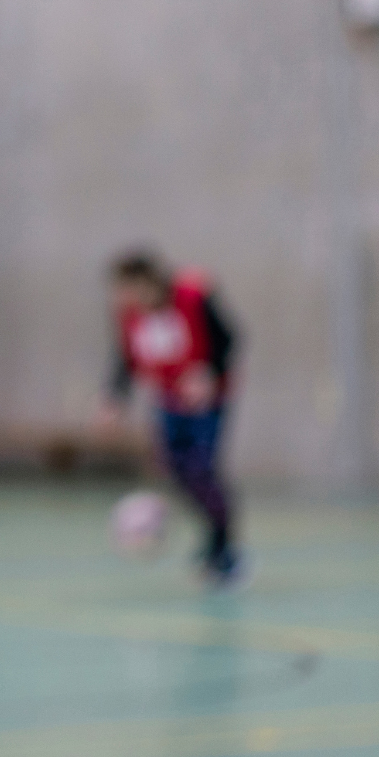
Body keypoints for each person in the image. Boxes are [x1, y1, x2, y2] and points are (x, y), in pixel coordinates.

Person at [99, 249, 248, 589]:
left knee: (201, 470)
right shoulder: (131, 315)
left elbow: (229, 339)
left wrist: (207, 373)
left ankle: (224, 549)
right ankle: (213, 537)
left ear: (148, 282)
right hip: (169, 400)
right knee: (176, 470)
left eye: (130, 289)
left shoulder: (192, 297)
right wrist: (114, 398)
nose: (126, 297)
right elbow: (126, 358)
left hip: (207, 401)